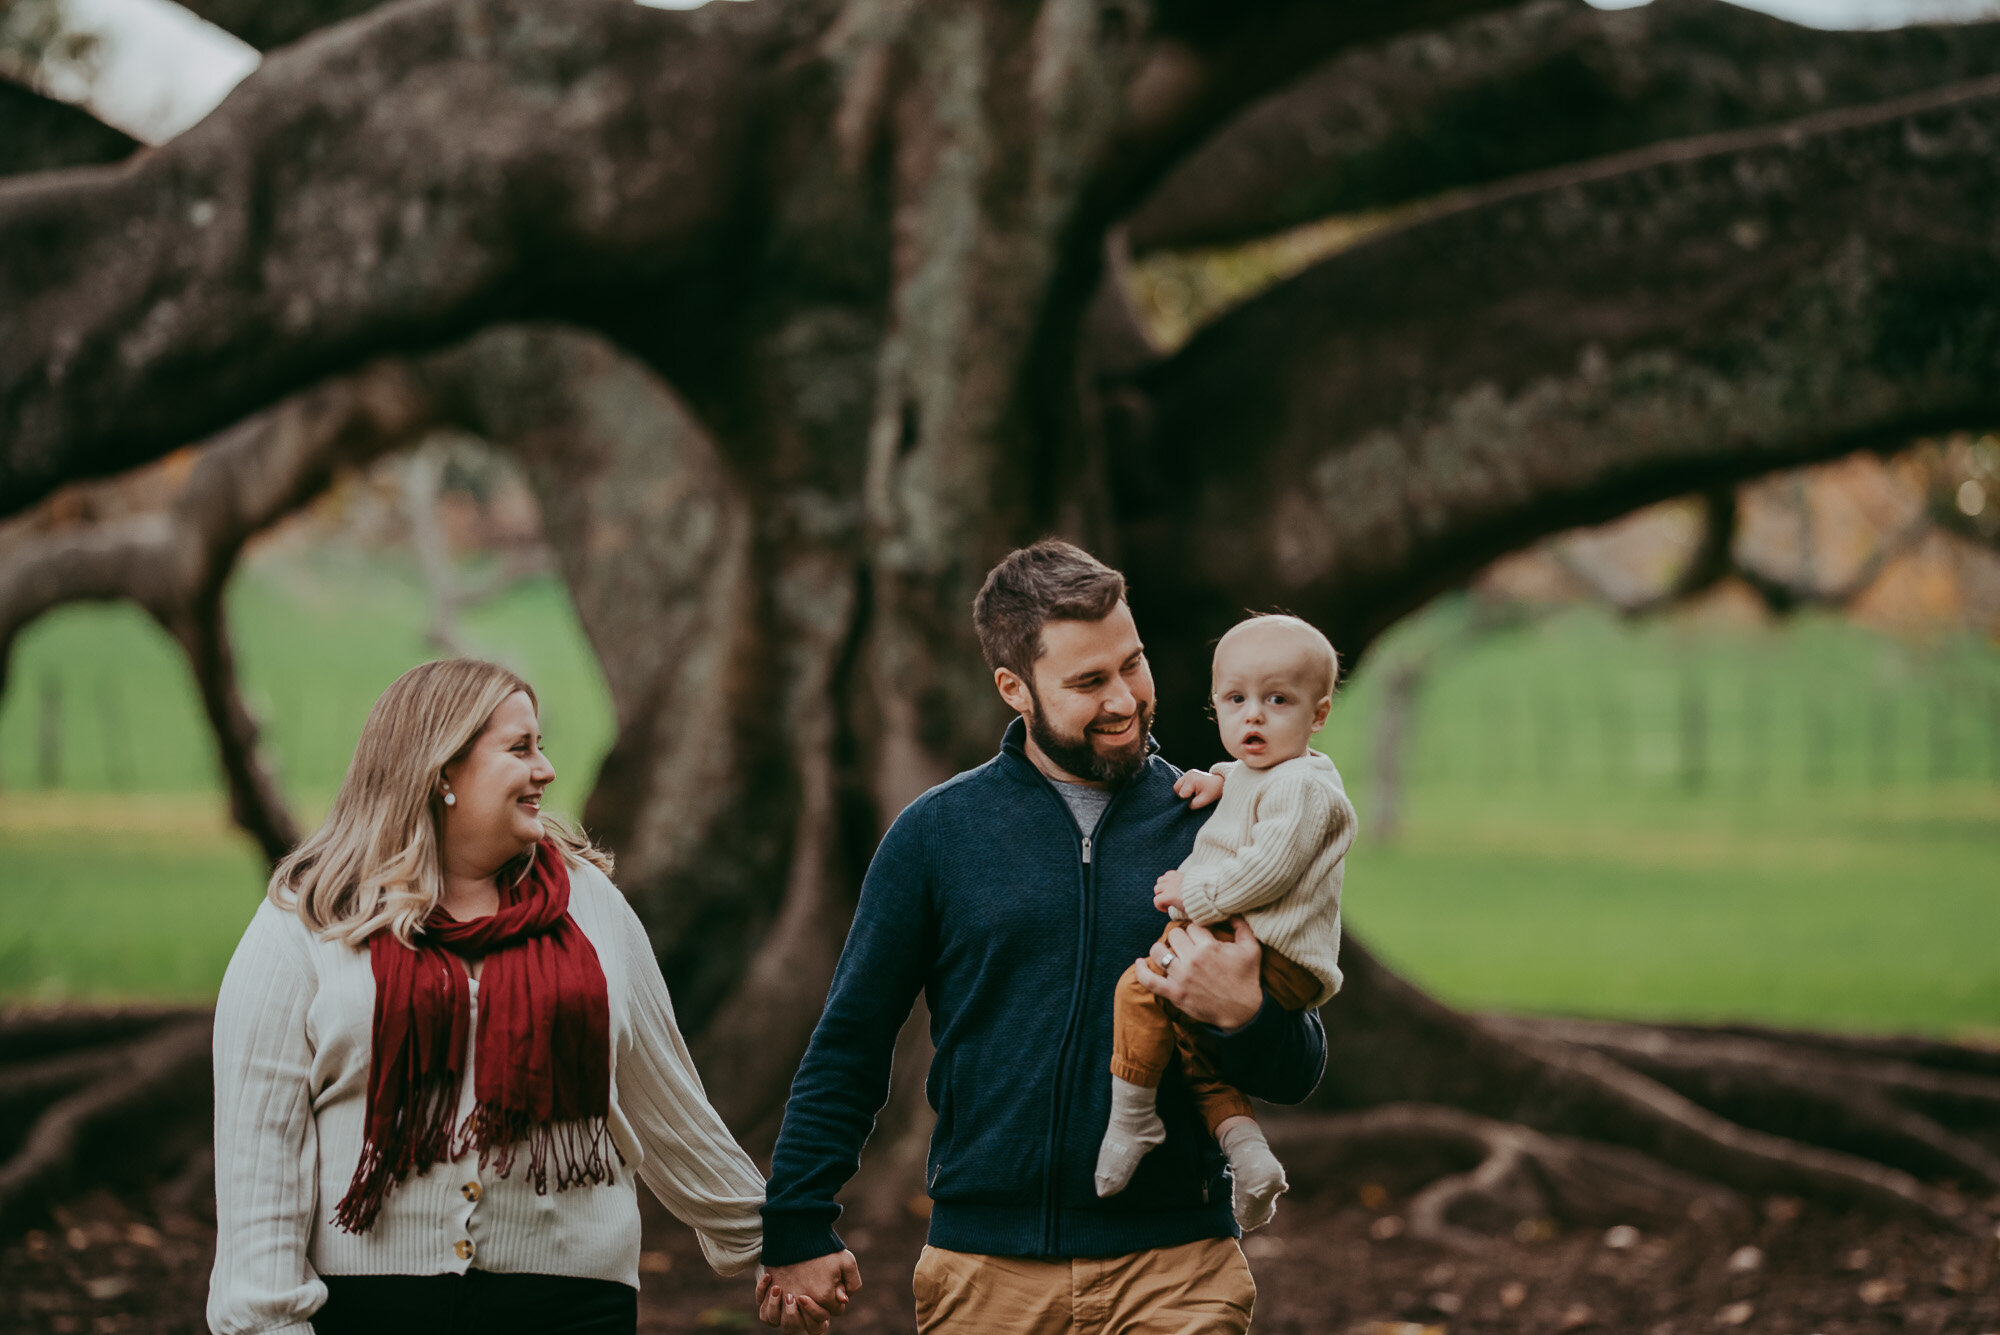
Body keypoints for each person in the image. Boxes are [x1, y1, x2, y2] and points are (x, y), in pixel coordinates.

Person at [756, 541, 1327, 1335]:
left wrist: (1243, 1013)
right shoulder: (938, 835)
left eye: (1133, 664)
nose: (1125, 699)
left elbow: (1301, 1064)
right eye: (1089, 682)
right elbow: (852, 1040)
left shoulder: (1224, 824)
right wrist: (795, 1224)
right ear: (1014, 688)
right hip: (985, 1272)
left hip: (1178, 1267)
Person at [207, 658, 764, 1335]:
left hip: (571, 1306)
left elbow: (667, 1099)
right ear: (443, 770)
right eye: (521, 748)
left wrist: (772, 1239)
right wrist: (265, 1321)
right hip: (369, 1308)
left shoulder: (590, 908)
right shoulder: (308, 918)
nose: (547, 769)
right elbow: (260, 1146)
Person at [1093, 614, 1356, 1234]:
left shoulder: (1305, 789)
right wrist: (1217, 778)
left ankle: (1131, 1120)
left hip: (1268, 953)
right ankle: (1249, 1154)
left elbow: (1268, 868)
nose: (1254, 718)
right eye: (1236, 700)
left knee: (1140, 990)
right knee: (1190, 1044)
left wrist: (1196, 893)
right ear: (1215, 706)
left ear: (1317, 716)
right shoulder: (1261, 774)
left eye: (1277, 701)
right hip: (1260, 948)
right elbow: (1248, 787)